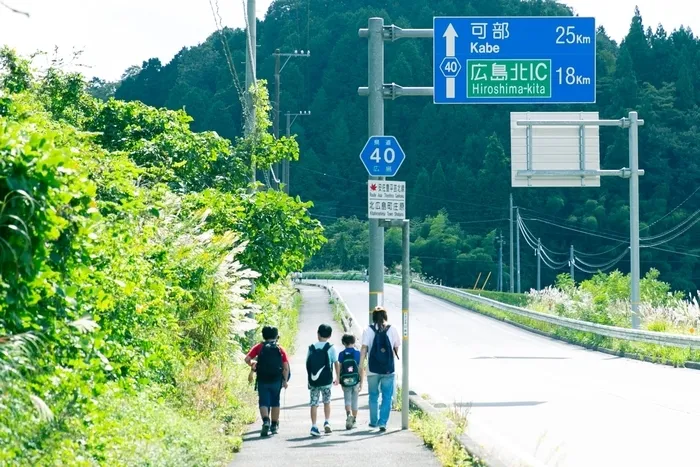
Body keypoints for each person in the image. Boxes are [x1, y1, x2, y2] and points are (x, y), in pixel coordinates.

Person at [360, 305, 400, 432]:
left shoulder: (367, 329)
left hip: (372, 369)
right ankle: (383, 422)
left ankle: (373, 422)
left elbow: (364, 348)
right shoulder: (392, 329)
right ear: (385, 316)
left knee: (373, 395)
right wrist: (389, 359)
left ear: (373, 316)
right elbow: (396, 346)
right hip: (388, 369)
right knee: (387, 396)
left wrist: (361, 364)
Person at [245, 326, 290, 437]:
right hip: (276, 379)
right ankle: (274, 426)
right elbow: (285, 367)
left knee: (263, 401)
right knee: (275, 401)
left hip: (262, 379)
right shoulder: (280, 349)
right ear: (276, 336)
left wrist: (253, 364)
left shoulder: (259, 347)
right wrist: (285, 380)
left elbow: (247, 359)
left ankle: (266, 421)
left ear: (263, 335)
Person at [306, 323, 340, 437]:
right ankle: (327, 422)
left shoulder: (311, 347)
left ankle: (314, 426)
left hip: (314, 381)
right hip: (327, 381)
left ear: (318, 334)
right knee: (327, 401)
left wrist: (309, 380)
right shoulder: (331, 348)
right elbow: (336, 363)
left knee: (314, 403)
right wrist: (337, 377)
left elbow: (308, 364)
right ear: (330, 335)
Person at [338, 333, 362, 430]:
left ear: (343, 343)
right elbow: (361, 369)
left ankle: (348, 416)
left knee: (347, 399)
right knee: (355, 400)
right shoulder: (357, 353)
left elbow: (339, 368)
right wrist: (362, 382)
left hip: (346, 380)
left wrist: (340, 380)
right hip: (356, 380)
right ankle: (354, 420)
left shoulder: (341, 354)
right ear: (354, 342)